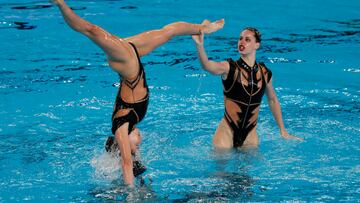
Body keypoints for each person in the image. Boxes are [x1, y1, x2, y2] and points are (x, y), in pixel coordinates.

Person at [50, 0, 224, 186]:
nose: (140, 141)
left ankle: (60, 3)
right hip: (130, 61)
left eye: (135, 145)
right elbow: (132, 163)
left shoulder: (121, 126)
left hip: (127, 62)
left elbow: (126, 163)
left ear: (123, 142)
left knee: (90, 29)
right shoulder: (130, 124)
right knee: (168, 32)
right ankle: (201, 28)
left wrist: (130, 195)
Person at [192, 25, 302, 149]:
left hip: (250, 135)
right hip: (226, 132)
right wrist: (199, 46)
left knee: (247, 167)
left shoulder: (265, 74)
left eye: (247, 39)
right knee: (221, 167)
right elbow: (207, 66)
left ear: (257, 45)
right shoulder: (229, 68)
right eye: (240, 38)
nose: (242, 42)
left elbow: (273, 100)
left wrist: (283, 131)